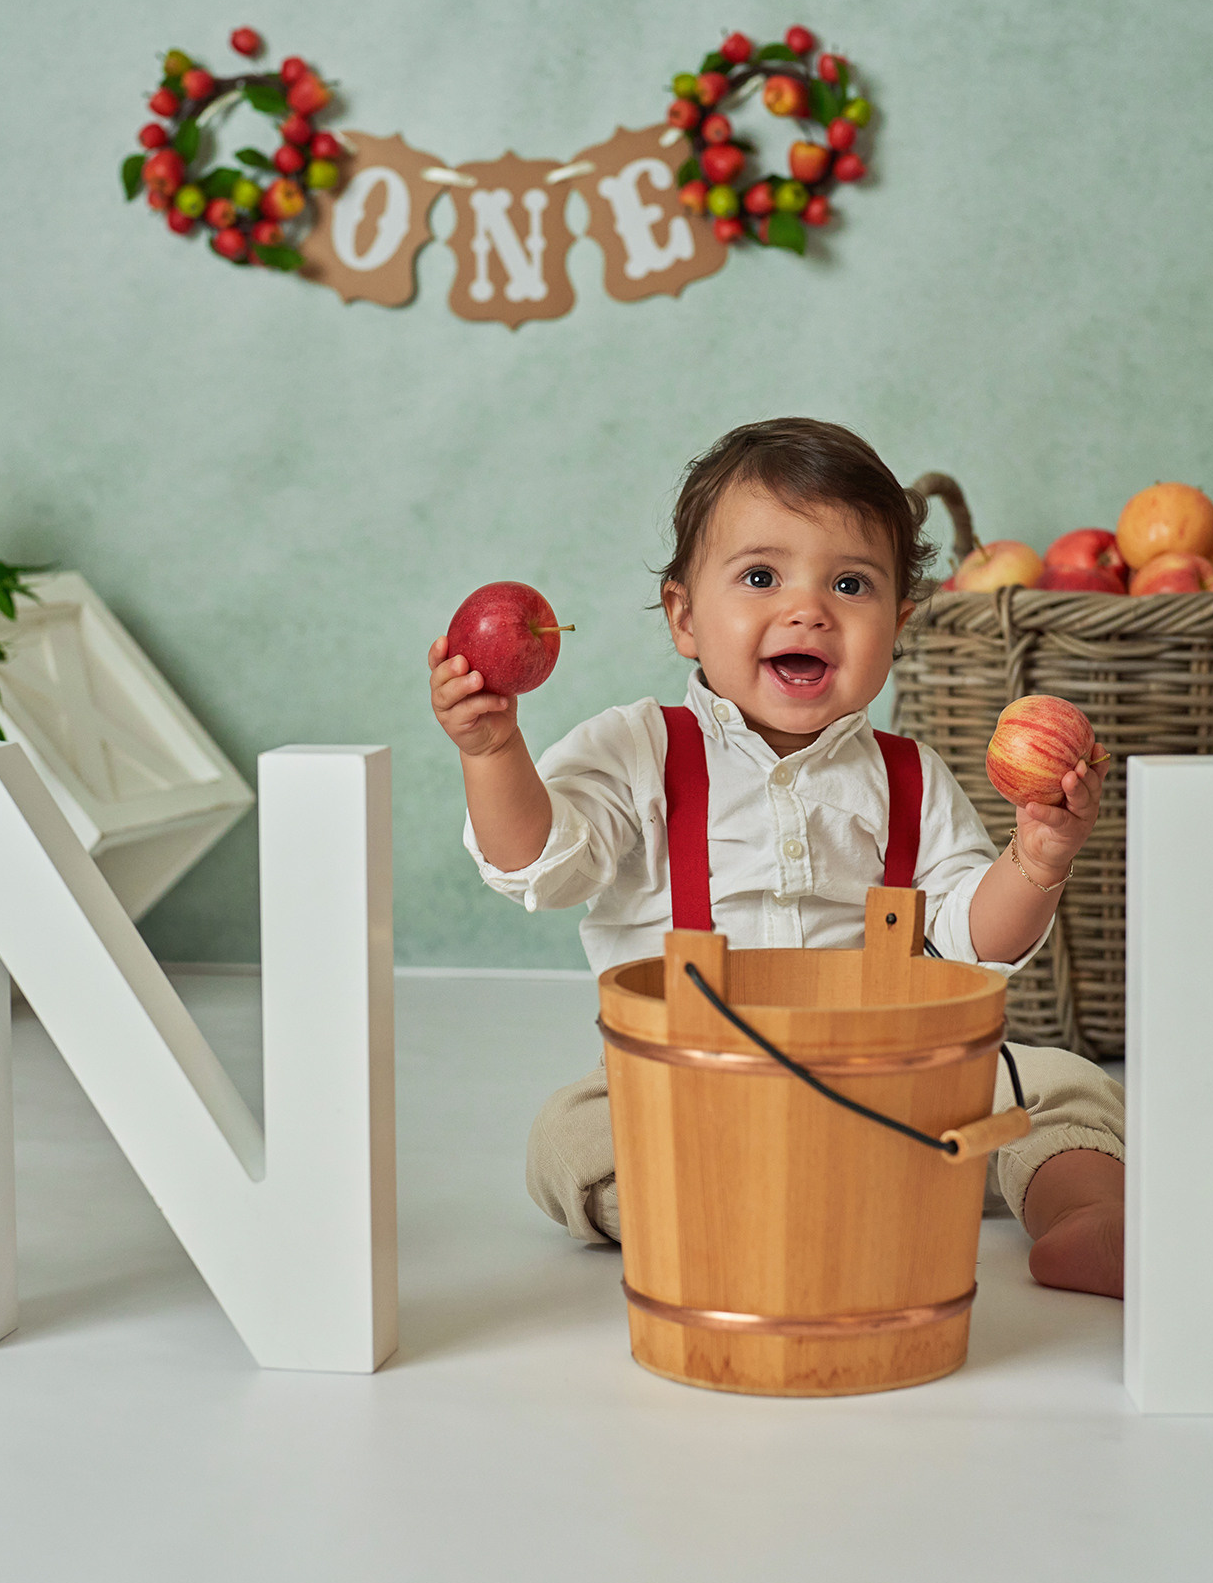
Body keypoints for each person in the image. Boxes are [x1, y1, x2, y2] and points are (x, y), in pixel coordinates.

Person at [426, 417, 1126, 1298]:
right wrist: (493, 755)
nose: (808, 609)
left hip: (889, 1093)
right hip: (696, 1101)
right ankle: (723, 1219)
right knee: (568, 1135)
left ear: (899, 624)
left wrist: (1037, 856)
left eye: (850, 583)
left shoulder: (910, 776)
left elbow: (971, 941)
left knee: (1058, 1086)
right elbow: (543, 862)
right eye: (761, 576)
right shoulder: (638, 749)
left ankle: (1088, 1219)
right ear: (684, 616)